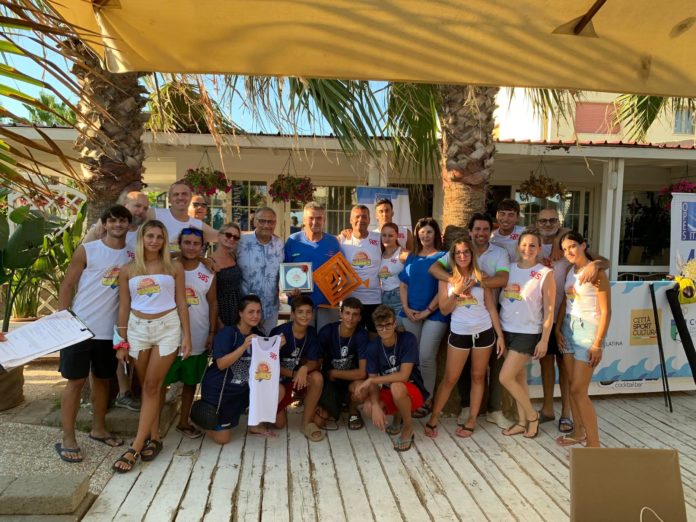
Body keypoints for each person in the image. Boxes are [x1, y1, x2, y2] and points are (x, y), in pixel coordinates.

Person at [55, 205, 134, 463]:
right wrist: (63, 320)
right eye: (113, 220)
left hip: (109, 331)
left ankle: (98, 429)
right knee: (75, 381)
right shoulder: (88, 250)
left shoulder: (133, 255)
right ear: (105, 224)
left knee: (102, 380)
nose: (118, 225)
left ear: (129, 225)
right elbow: (67, 285)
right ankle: (68, 437)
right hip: (79, 327)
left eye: (123, 221)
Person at [112, 220, 192, 473]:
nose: (154, 241)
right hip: (137, 329)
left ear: (164, 240)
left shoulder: (174, 267)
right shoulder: (128, 270)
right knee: (148, 386)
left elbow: (182, 303)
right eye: (150, 236)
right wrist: (121, 342)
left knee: (151, 385)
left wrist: (187, 337)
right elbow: (123, 308)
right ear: (142, 239)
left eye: (159, 237)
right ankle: (155, 437)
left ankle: (136, 445)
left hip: (167, 328)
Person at [429, 212, 511, 428]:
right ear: (452, 256)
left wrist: (500, 336)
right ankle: (434, 418)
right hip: (459, 333)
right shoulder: (447, 278)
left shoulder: (482, 277)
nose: (462, 256)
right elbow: (444, 309)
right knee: (450, 378)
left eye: (466, 252)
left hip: (484, 332)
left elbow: (491, 306)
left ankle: (472, 419)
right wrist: (457, 289)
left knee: (478, 376)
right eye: (458, 253)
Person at [536, 208, 609, 433]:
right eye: (543, 221)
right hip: (548, 318)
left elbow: (604, 261)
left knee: (568, 373)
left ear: (558, 223)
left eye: (552, 220)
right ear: (536, 224)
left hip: (573, 319)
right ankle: (548, 409)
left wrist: (596, 264)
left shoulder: (570, 248)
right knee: (546, 363)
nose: (547, 224)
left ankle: (567, 414)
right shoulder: (534, 245)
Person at [83, 190, 147, 411]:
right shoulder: (100, 230)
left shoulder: (143, 232)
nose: (141, 211)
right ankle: (98, 403)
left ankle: (124, 392)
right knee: (99, 361)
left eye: (144, 208)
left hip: (127, 305)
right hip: (96, 309)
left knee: (123, 347)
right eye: (137, 206)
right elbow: (83, 260)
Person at [555, 231, 611, 448]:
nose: (569, 251)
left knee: (579, 390)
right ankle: (578, 432)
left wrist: (597, 344)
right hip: (568, 328)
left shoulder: (597, 272)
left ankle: (594, 444)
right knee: (572, 386)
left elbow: (606, 311)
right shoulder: (571, 270)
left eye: (572, 246)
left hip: (588, 331)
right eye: (565, 249)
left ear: (583, 245)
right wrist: (558, 329)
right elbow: (565, 302)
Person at [199, 295, 279, 444]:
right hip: (221, 392)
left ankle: (255, 424)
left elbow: (265, 365)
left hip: (242, 391)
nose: (255, 316)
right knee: (223, 439)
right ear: (240, 313)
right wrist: (243, 347)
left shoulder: (259, 335)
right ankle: (202, 419)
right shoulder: (228, 333)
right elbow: (221, 364)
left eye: (258, 312)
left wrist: (276, 348)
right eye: (251, 312)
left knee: (278, 388)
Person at [498, 230, 555, 438]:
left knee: (505, 377)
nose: (527, 249)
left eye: (532, 245)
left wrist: (545, 340)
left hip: (528, 332)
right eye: (524, 244)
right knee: (518, 377)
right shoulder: (508, 269)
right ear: (518, 246)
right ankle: (522, 422)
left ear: (539, 249)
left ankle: (532, 416)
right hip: (506, 329)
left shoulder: (545, 273)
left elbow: (549, 310)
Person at [162, 227, 217, 439]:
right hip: (169, 335)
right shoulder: (167, 267)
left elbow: (212, 303)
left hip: (198, 334)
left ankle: (183, 422)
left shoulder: (208, 273)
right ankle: (153, 426)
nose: (191, 247)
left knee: (190, 382)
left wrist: (211, 332)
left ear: (202, 246)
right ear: (179, 243)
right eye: (187, 242)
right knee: (161, 382)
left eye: (196, 244)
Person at [357, 305, 429, 452]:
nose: (384, 330)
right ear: (376, 327)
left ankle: (408, 428)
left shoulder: (408, 339)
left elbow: (403, 376)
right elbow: (373, 383)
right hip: (389, 390)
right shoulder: (373, 347)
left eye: (388, 325)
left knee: (396, 386)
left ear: (395, 323)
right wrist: (375, 405)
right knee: (368, 407)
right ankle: (397, 417)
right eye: (380, 326)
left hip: (412, 390)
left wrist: (372, 380)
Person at [398, 217, 449, 417]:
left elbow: (445, 287)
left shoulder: (443, 257)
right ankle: (414, 396)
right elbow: (404, 284)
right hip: (411, 313)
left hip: (434, 314)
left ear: (435, 234)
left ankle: (426, 399)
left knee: (426, 357)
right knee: (414, 359)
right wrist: (406, 308)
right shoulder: (411, 257)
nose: (425, 236)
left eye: (429, 232)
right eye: (421, 232)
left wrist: (428, 310)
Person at [270, 295, 325, 442]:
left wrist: (304, 368)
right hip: (279, 381)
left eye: (308, 312)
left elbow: (314, 362)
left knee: (317, 378)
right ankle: (273, 408)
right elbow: (269, 365)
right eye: (300, 312)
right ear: (293, 314)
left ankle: (306, 423)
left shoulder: (312, 333)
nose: (305, 316)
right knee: (279, 424)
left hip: (298, 379)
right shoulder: (279, 332)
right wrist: (295, 372)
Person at [284, 202, 341, 330]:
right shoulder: (293, 240)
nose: (315, 222)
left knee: (326, 339)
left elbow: (341, 269)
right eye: (311, 218)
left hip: (327, 303)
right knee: (301, 339)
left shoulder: (333, 242)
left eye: (319, 218)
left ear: (324, 220)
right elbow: (285, 271)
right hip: (300, 304)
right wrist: (289, 289)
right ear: (304, 220)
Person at [317, 297, 370, 429]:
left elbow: (362, 373)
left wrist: (334, 372)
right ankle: (336, 403)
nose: (350, 318)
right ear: (340, 314)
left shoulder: (362, 335)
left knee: (361, 390)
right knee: (319, 421)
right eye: (347, 313)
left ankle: (353, 411)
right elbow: (317, 363)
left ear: (360, 318)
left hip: (350, 380)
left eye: (355, 314)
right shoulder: (327, 331)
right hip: (330, 382)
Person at [236, 207, 284, 334]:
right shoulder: (240, 242)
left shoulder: (280, 244)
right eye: (262, 221)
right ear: (254, 222)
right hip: (246, 310)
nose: (266, 225)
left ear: (275, 223)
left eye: (271, 222)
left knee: (267, 343)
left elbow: (285, 273)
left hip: (270, 310)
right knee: (245, 344)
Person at [338, 205, 383, 335]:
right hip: (350, 299)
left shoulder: (379, 238)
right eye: (357, 216)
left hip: (373, 299)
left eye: (364, 216)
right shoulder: (342, 240)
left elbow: (394, 252)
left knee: (374, 336)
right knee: (350, 335)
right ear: (350, 220)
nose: (360, 219)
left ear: (369, 220)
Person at [147, 180, 217, 250]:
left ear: (190, 198)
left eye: (184, 194)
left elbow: (219, 236)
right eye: (176, 194)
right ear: (169, 199)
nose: (180, 197)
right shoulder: (155, 214)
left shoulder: (197, 225)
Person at [212, 223, 243, 327]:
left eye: (236, 237)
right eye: (228, 235)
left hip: (237, 308)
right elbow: (210, 296)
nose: (232, 239)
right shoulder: (211, 261)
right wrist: (217, 320)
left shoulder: (234, 257)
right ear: (219, 235)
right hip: (222, 311)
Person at [379, 223, 410, 325]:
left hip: (399, 297)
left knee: (400, 329)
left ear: (397, 236)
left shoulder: (404, 254)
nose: (387, 239)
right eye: (384, 235)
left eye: (391, 235)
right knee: (388, 329)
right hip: (384, 298)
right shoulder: (380, 253)